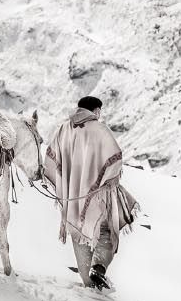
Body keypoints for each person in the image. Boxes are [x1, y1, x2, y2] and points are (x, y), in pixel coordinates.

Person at [42, 96, 139, 290]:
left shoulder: (63, 129)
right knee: (105, 232)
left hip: (71, 198)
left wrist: (64, 187)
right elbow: (115, 160)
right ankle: (99, 267)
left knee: (79, 235)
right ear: (96, 110)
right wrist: (107, 181)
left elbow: (50, 161)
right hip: (97, 197)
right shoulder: (100, 130)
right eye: (99, 111)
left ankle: (88, 283)